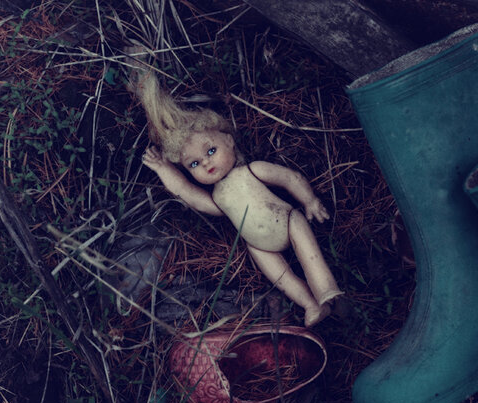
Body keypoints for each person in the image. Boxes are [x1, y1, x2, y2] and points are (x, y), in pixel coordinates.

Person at [127, 56, 342, 326]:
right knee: (281, 278)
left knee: (310, 256)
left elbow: (289, 178)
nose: (206, 163)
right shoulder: (217, 199)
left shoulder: (253, 170)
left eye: (211, 151)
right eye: (194, 164)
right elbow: (184, 191)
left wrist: (309, 200)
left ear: (228, 140)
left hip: (289, 222)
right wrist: (162, 168)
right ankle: (310, 305)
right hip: (258, 245)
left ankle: (326, 292)